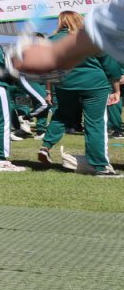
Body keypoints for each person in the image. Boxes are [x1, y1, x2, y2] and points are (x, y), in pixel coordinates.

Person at [34, 10, 121, 175]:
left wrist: (49, 91)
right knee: (95, 123)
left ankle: (46, 146)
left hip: (66, 85)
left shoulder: (50, 41)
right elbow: (111, 66)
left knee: (61, 115)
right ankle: (99, 165)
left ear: (61, 22)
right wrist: (116, 89)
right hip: (94, 85)